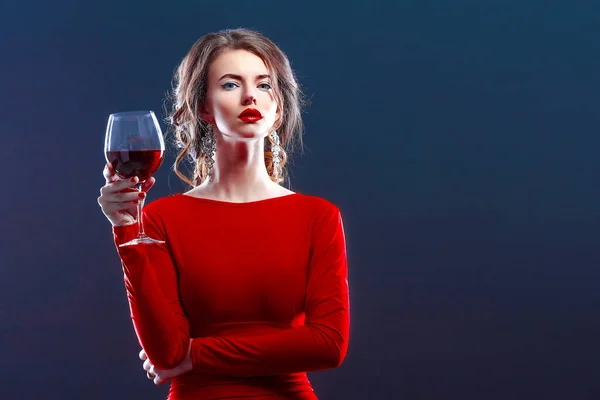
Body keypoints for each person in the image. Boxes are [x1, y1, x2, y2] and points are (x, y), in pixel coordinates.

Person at [98, 28, 350, 400]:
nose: (250, 95)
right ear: (202, 107)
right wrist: (126, 232)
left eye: (264, 85)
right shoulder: (161, 219)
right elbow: (165, 353)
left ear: (278, 109)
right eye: (230, 85)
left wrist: (196, 355)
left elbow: (328, 345)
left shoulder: (318, 216)